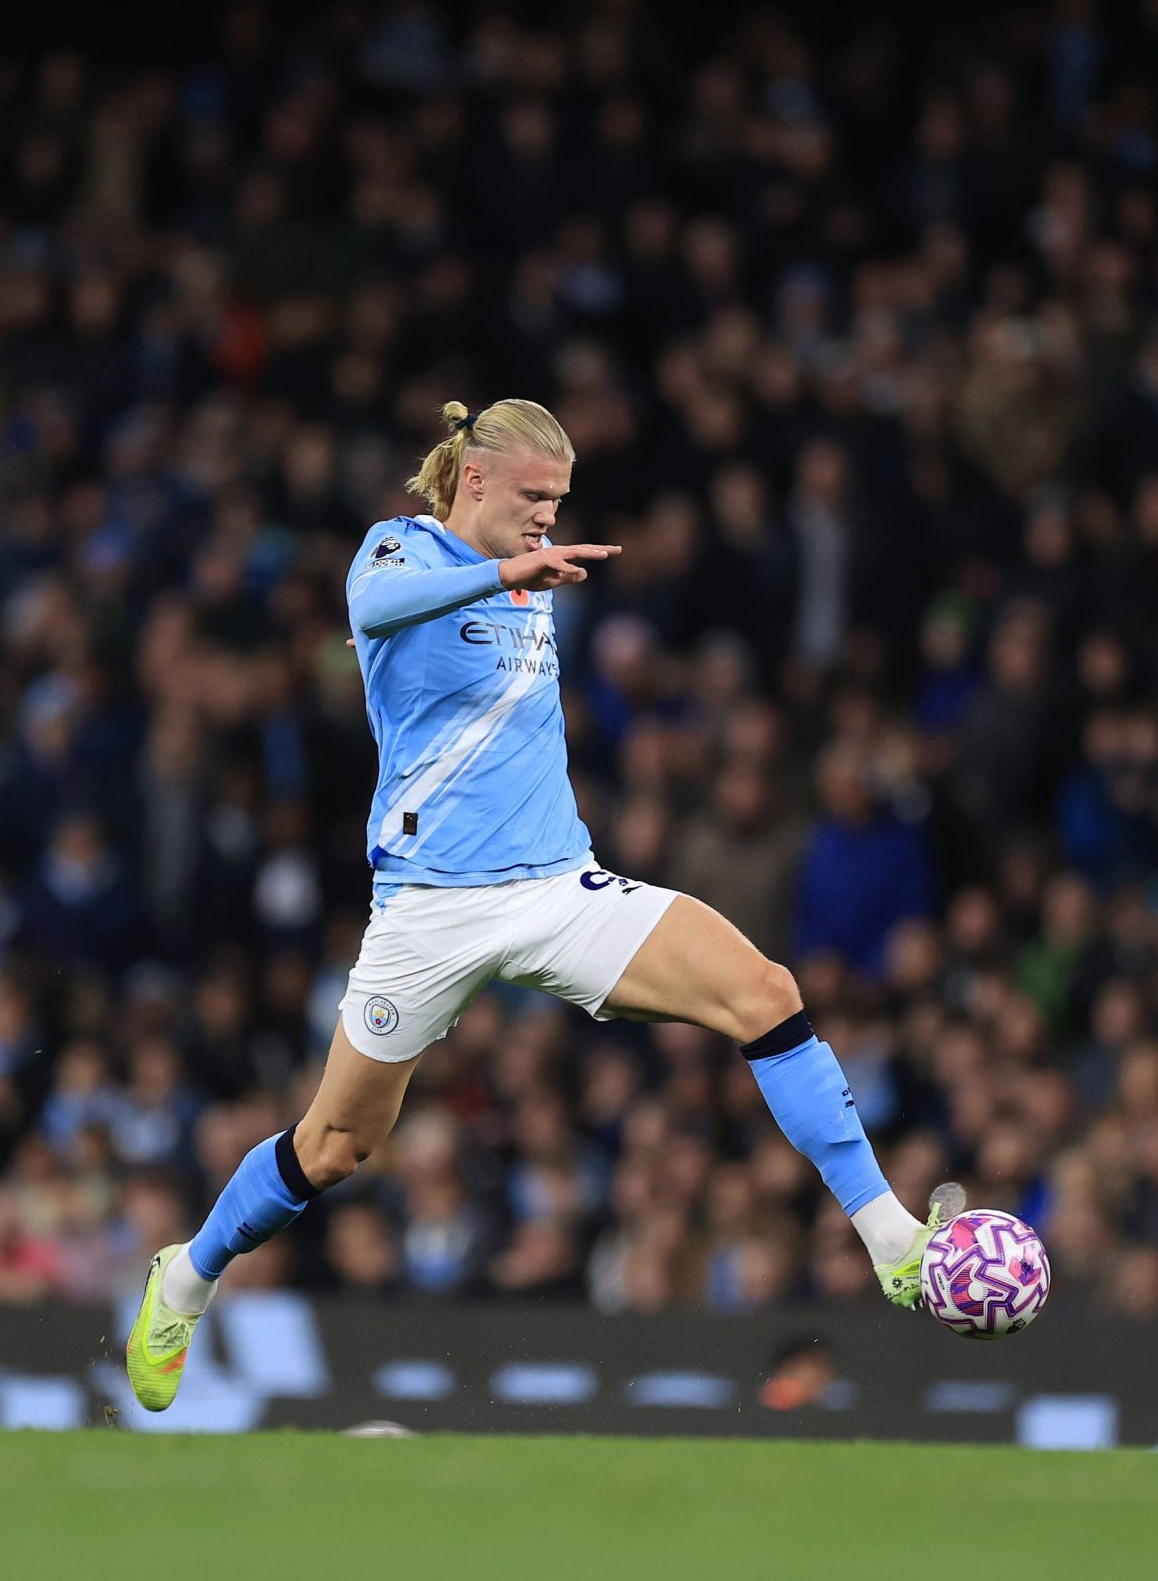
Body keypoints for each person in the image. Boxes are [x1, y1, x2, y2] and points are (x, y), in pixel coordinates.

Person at [124, 401, 953, 1409]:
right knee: (333, 1147)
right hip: (430, 907)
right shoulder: (401, 549)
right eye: (533, 496)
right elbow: (373, 613)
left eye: (558, 501)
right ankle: (188, 1275)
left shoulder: (535, 573)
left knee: (764, 991)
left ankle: (890, 1238)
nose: (547, 518)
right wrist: (507, 572)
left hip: (558, 887)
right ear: (474, 480)